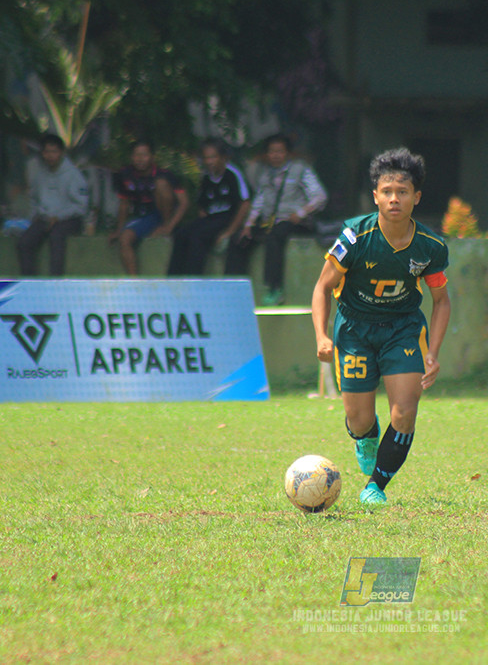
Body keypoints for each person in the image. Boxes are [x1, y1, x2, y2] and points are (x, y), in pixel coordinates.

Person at [311, 147, 450, 507]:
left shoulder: (430, 246)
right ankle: (364, 438)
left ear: (416, 198)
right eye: (386, 192)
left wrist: (433, 352)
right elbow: (322, 287)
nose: (394, 199)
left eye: (402, 192)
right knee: (358, 420)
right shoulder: (354, 237)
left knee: (404, 410)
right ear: (375, 196)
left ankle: (376, 486)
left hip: (402, 329)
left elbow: (441, 301)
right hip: (354, 329)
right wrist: (322, 336)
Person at [226, 133, 328, 305]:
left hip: (298, 223)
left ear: (288, 153)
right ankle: (233, 288)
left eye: (280, 151)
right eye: (272, 152)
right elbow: (258, 201)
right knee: (239, 239)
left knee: (275, 236)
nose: (275, 155)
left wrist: (301, 213)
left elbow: (320, 197)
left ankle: (274, 289)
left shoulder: (301, 169)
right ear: (266, 154)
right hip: (271, 222)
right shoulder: (265, 174)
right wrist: (249, 225)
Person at [167, 138, 251, 276]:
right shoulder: (206, 176)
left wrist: (229, 231)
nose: (209, 162)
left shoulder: (232, 174)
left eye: (213, 157)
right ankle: (173, 279)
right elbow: (202, 206)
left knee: (197, 237)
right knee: (181, 234)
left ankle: (193, 280)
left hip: (228, 217)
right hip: (211, 218)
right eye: (206, 158)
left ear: (223, 157)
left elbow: (245, 203)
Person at [109, 140, 188, 275]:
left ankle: (165, 225)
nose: (140, 159)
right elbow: (124, 204)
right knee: (124, 238)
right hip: (143, 218)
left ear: (152, 156)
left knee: (161, 184)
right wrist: (119, 229)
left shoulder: (165, 175)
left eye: (144, 155)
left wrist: (169, 227)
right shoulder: (125, 174)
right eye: (136, 155)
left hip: (163, 215)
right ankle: (134, 282)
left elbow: (184, 202)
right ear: (131, 157)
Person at [16, 134, 89, 276]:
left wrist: (58, 217)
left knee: (56, 237)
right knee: (24, 242)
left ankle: (55, 281)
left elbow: (81, 206)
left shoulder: (73, 175)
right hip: (45, 218)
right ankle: (28, 281)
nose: (50, 156)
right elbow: (34, 199)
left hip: (69, 219)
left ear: (61, 153)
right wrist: (38, 214)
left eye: (54, 152)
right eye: (47, 152)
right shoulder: (39, 174)